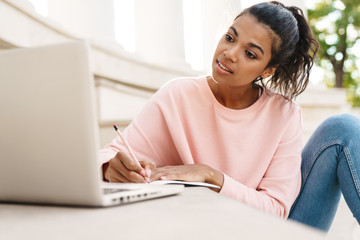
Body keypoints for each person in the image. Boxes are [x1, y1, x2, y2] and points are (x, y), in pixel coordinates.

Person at [98, 1, 360, 232]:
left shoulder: (284, 114)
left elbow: (276, 209)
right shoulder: (177, 95)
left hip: (267, 231)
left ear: (267, 70)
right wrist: (111, 168)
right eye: (230, 37)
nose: (229, 53)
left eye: (250, 54)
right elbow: (110, 154)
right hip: (201, 228)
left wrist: (209, 176)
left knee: (342, 128)